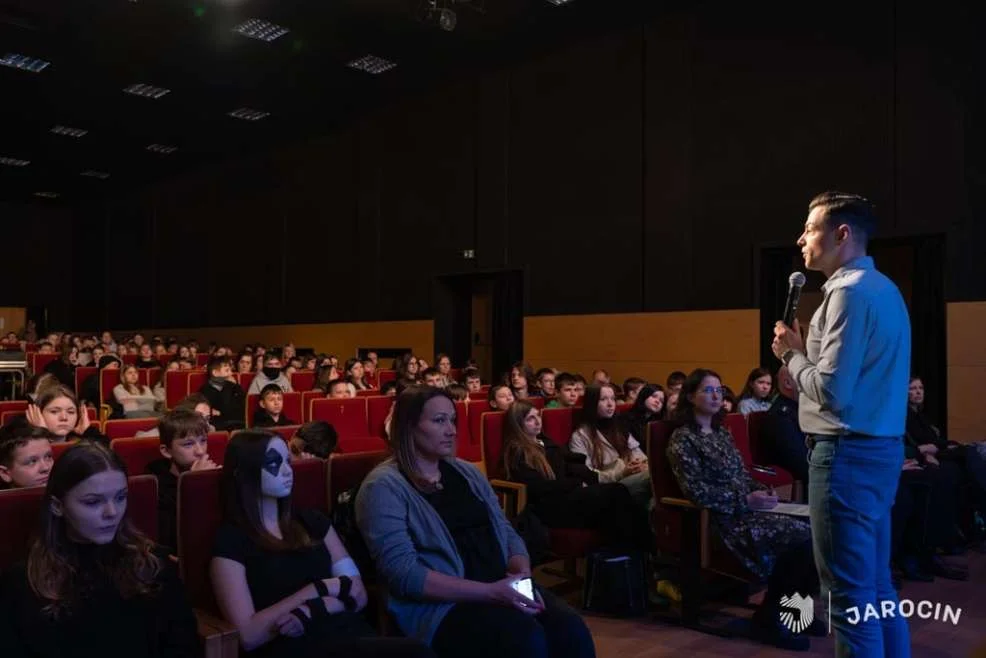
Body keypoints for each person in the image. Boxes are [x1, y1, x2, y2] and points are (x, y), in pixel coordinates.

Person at [356, 386, 595, 658]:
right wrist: (491, 593)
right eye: (439, 421)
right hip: (444, 605)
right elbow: (404, 575)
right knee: (524, 639)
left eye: (452, 420)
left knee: (570, 629)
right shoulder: (383, 486)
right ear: (408, 426)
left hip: (500, 587)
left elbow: (504, 529)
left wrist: (521, 574)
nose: (452, 430)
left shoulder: (465, 471)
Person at [772, 191, 911, 656]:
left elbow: (832, 392)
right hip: (879, 448)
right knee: (875, 588)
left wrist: (791, 355)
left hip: (845, 455)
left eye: (810, 229)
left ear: (842, 234)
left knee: (849, 601)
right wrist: (801, 355)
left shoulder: (847, 294)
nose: (802, 238)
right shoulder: (885, 289)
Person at [210, 430, 431, 658]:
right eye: (274, 463)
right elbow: (248, 635)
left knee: (416, 652)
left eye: (288, 460)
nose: (288, 471)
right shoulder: (231, 541)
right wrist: (319, 588)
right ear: (244, 473)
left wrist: (310, 609)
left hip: (346, 634)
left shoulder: (313, 522)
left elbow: (358, 594)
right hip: (295, 647)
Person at [667, 369, 820, 651]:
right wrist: (746, 501)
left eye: (719, 390)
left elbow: (741, 475)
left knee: (817, 534)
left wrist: (762, 489)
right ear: (690, 396)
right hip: (719, 521)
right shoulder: (682, 439)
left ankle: (796, 612)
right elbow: (697, 492)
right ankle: (769, 619)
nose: (716, 396)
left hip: (747, 512)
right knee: (802, 541)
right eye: (708, 390)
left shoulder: (721, 432)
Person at [0, 442, 200, 657]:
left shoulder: (152, 564)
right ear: (58, 506)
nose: (112, 512)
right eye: (93, 502)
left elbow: (183, 646)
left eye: (120, 497)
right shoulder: (24, 582)